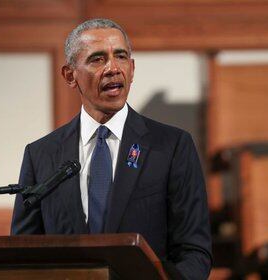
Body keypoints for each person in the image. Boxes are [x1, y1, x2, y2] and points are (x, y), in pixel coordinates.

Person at [11, 18, 212, 279]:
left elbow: (194, 252)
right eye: (97, 59)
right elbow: (23, 254)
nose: (113, 68)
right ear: (70, 76)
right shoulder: (41, 155)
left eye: (121, 56)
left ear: (132, 67)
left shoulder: (171, 146)